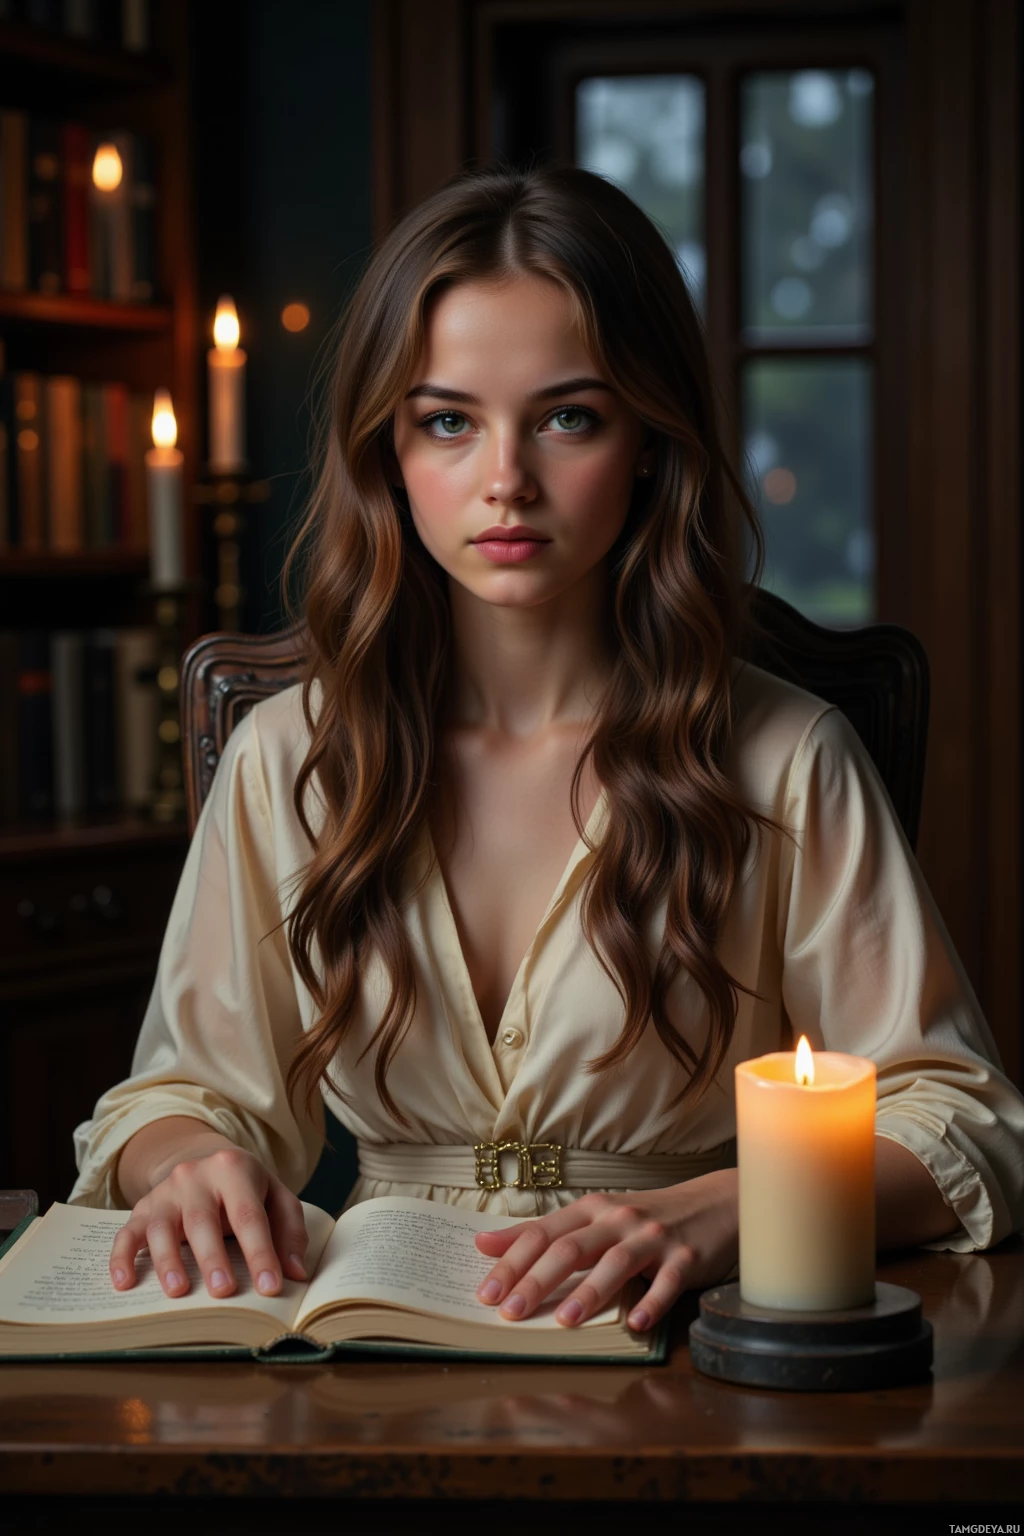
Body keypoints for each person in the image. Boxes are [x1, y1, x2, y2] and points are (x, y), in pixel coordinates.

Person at [71, 163, 1024, 1338]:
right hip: (364, 1356)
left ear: (647, 440)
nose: (506, 481)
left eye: (568, 416)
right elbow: (187, 1093)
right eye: (448, 423)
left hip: (678, 1344)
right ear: (388, 451)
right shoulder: (290, 755)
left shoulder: (785, 755)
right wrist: (186, 1165)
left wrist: (730, 1211)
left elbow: (962, 1120)